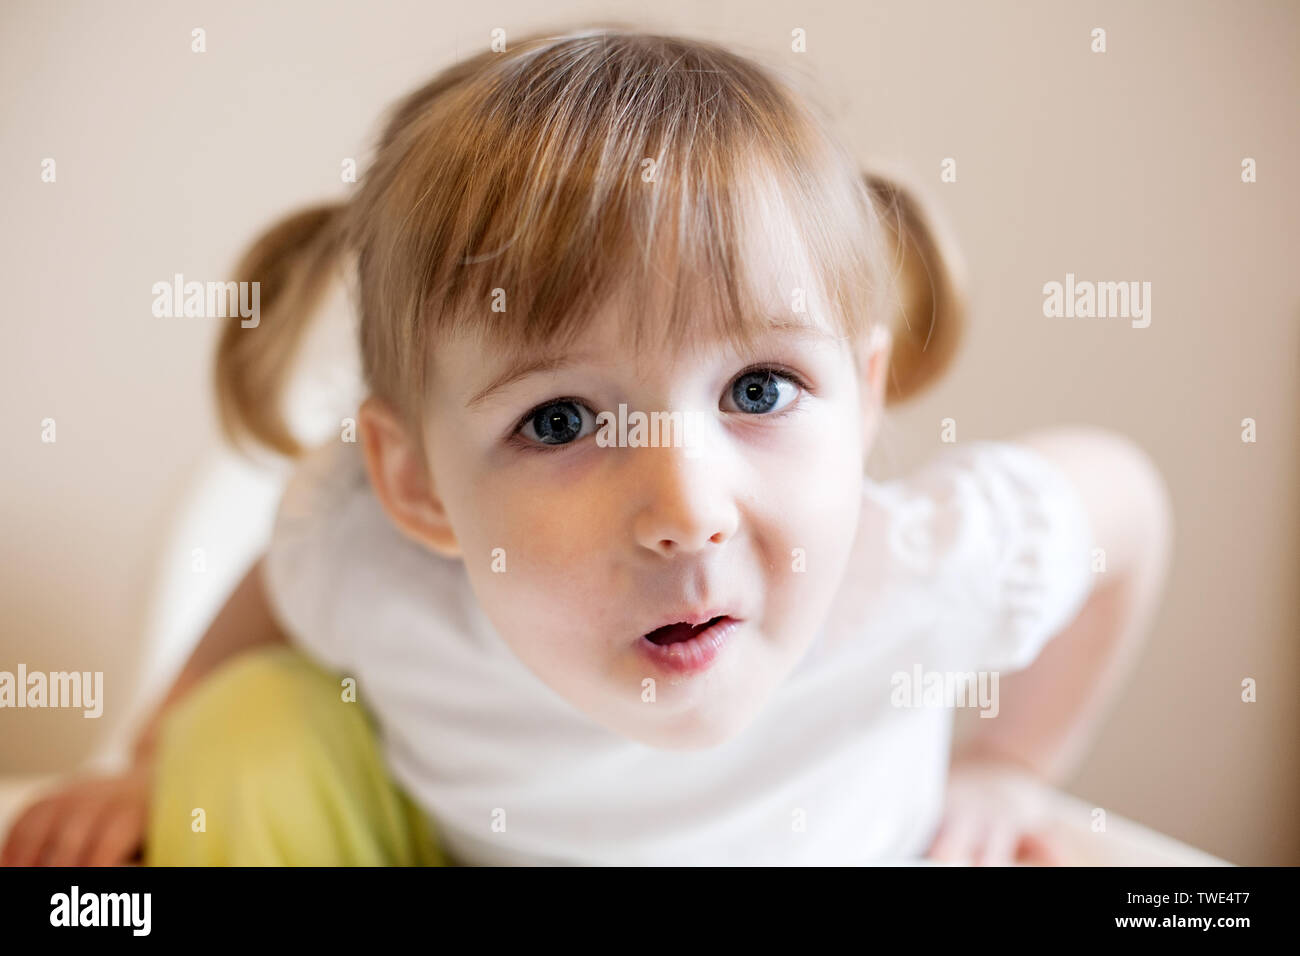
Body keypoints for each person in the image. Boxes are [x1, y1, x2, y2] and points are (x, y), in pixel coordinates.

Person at [1, 25, 1171, 867]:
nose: (686, 507)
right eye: (559, 419)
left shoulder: (921, 571)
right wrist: (145, 753)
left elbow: (1123, 505)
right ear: (416, 487)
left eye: (760, 386)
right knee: (248, 725)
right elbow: (287, 571)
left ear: (864, 399)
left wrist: (1011, 766)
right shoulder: (376, 567)